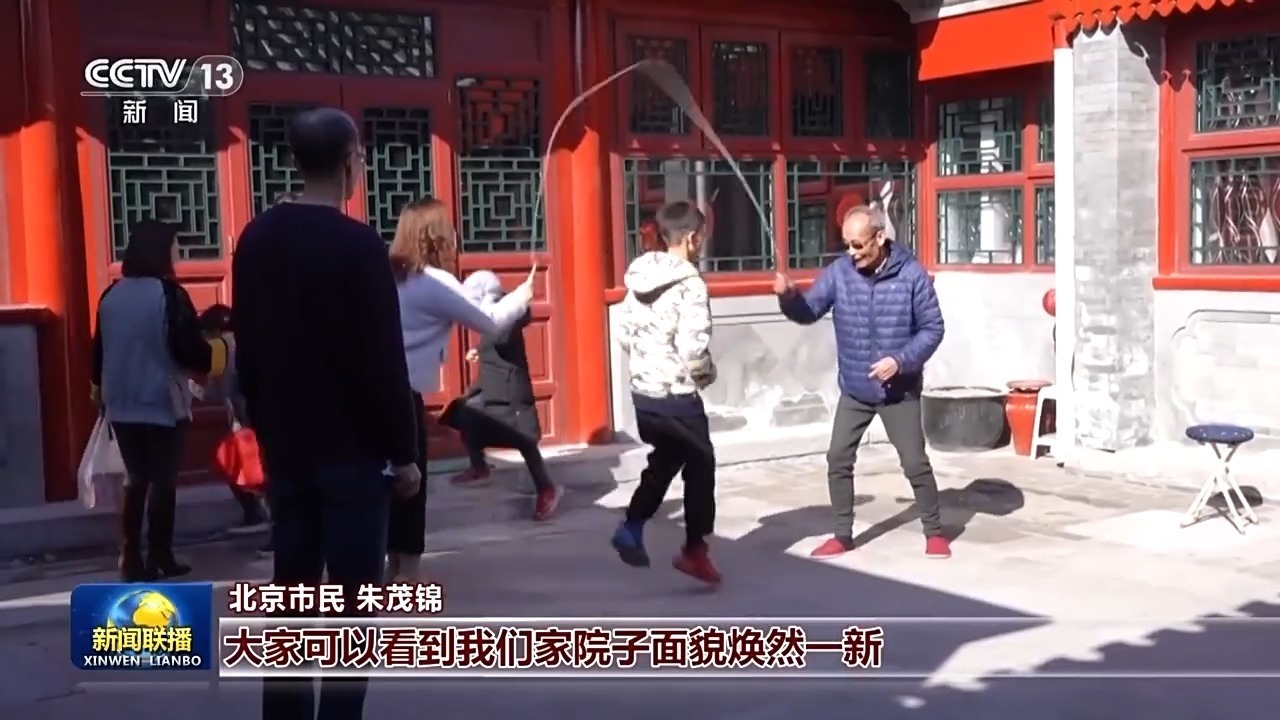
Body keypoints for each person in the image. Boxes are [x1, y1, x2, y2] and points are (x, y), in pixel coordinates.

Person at [231, 107, 421, 720]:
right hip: (355, 455)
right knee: (353, 610)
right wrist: (404, 453)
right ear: (349, 163)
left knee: (290, 600)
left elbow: (249, 347)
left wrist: (264, 428)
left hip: (288, 449)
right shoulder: (358, 245)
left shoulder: (255, 239)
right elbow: (383, 359)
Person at [773, 204, 949, 559]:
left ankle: (934, 532)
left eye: (858, 244)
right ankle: (842, 535)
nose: (852, 253)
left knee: (914, 462)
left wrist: (900, 361)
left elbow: (933, 329)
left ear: (880, 238)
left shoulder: (911, 275)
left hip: (899, 391)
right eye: (847, 245)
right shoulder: (840, 273)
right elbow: (808, 311)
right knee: (838, 458)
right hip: (855, 388)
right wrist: (789, 297)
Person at [387, 197, 534, 581]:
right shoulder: (434, 281)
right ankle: (407, 576)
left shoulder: (393, 276)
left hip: (377, 389)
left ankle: (393, 568)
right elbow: (487, 321)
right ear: (437, 236)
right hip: (403, 395)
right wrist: (520, 297)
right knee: (411, 485)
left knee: (392, 484)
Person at [91, 220, 231, 582]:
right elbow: (187, 350)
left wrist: (98, 391)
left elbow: (99, 352)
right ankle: (160, 554)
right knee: (162, 480)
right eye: (174, 247)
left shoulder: (111, 296)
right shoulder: (168, 295)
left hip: (121, 401)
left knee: (135, 478)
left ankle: (129, 557)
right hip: (161, 400)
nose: (178, 254)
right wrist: (221, 350)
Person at [609, 200, 721, 586]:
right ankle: (694, 549)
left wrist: (647, 365)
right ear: (691, 238)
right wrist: (706, 375)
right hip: (677, 395)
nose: (702, 242)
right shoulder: (690, 284)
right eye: (701, 236)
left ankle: (632, 525)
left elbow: (623, 333)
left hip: (644, 396)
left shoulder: (639, 276)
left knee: (668, 459)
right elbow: (693, 350)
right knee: (701, 464)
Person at [441, 271, 562, 521]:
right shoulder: (496, 312)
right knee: (465, 413)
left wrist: (520, 299)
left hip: (511, 390)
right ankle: (479, 467)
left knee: (524, 439)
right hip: (490, 385)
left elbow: (499, 331)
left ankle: (547, 489)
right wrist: (479, 350)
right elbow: (491, 334)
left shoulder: (509, 315)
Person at [196, 304, 272, 550]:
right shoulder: (252, 339)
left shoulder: (220, 346)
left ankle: (261, 517)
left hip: (244, 418)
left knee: (240, 467)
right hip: (266, 413)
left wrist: (191, 389)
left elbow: (217, 389)